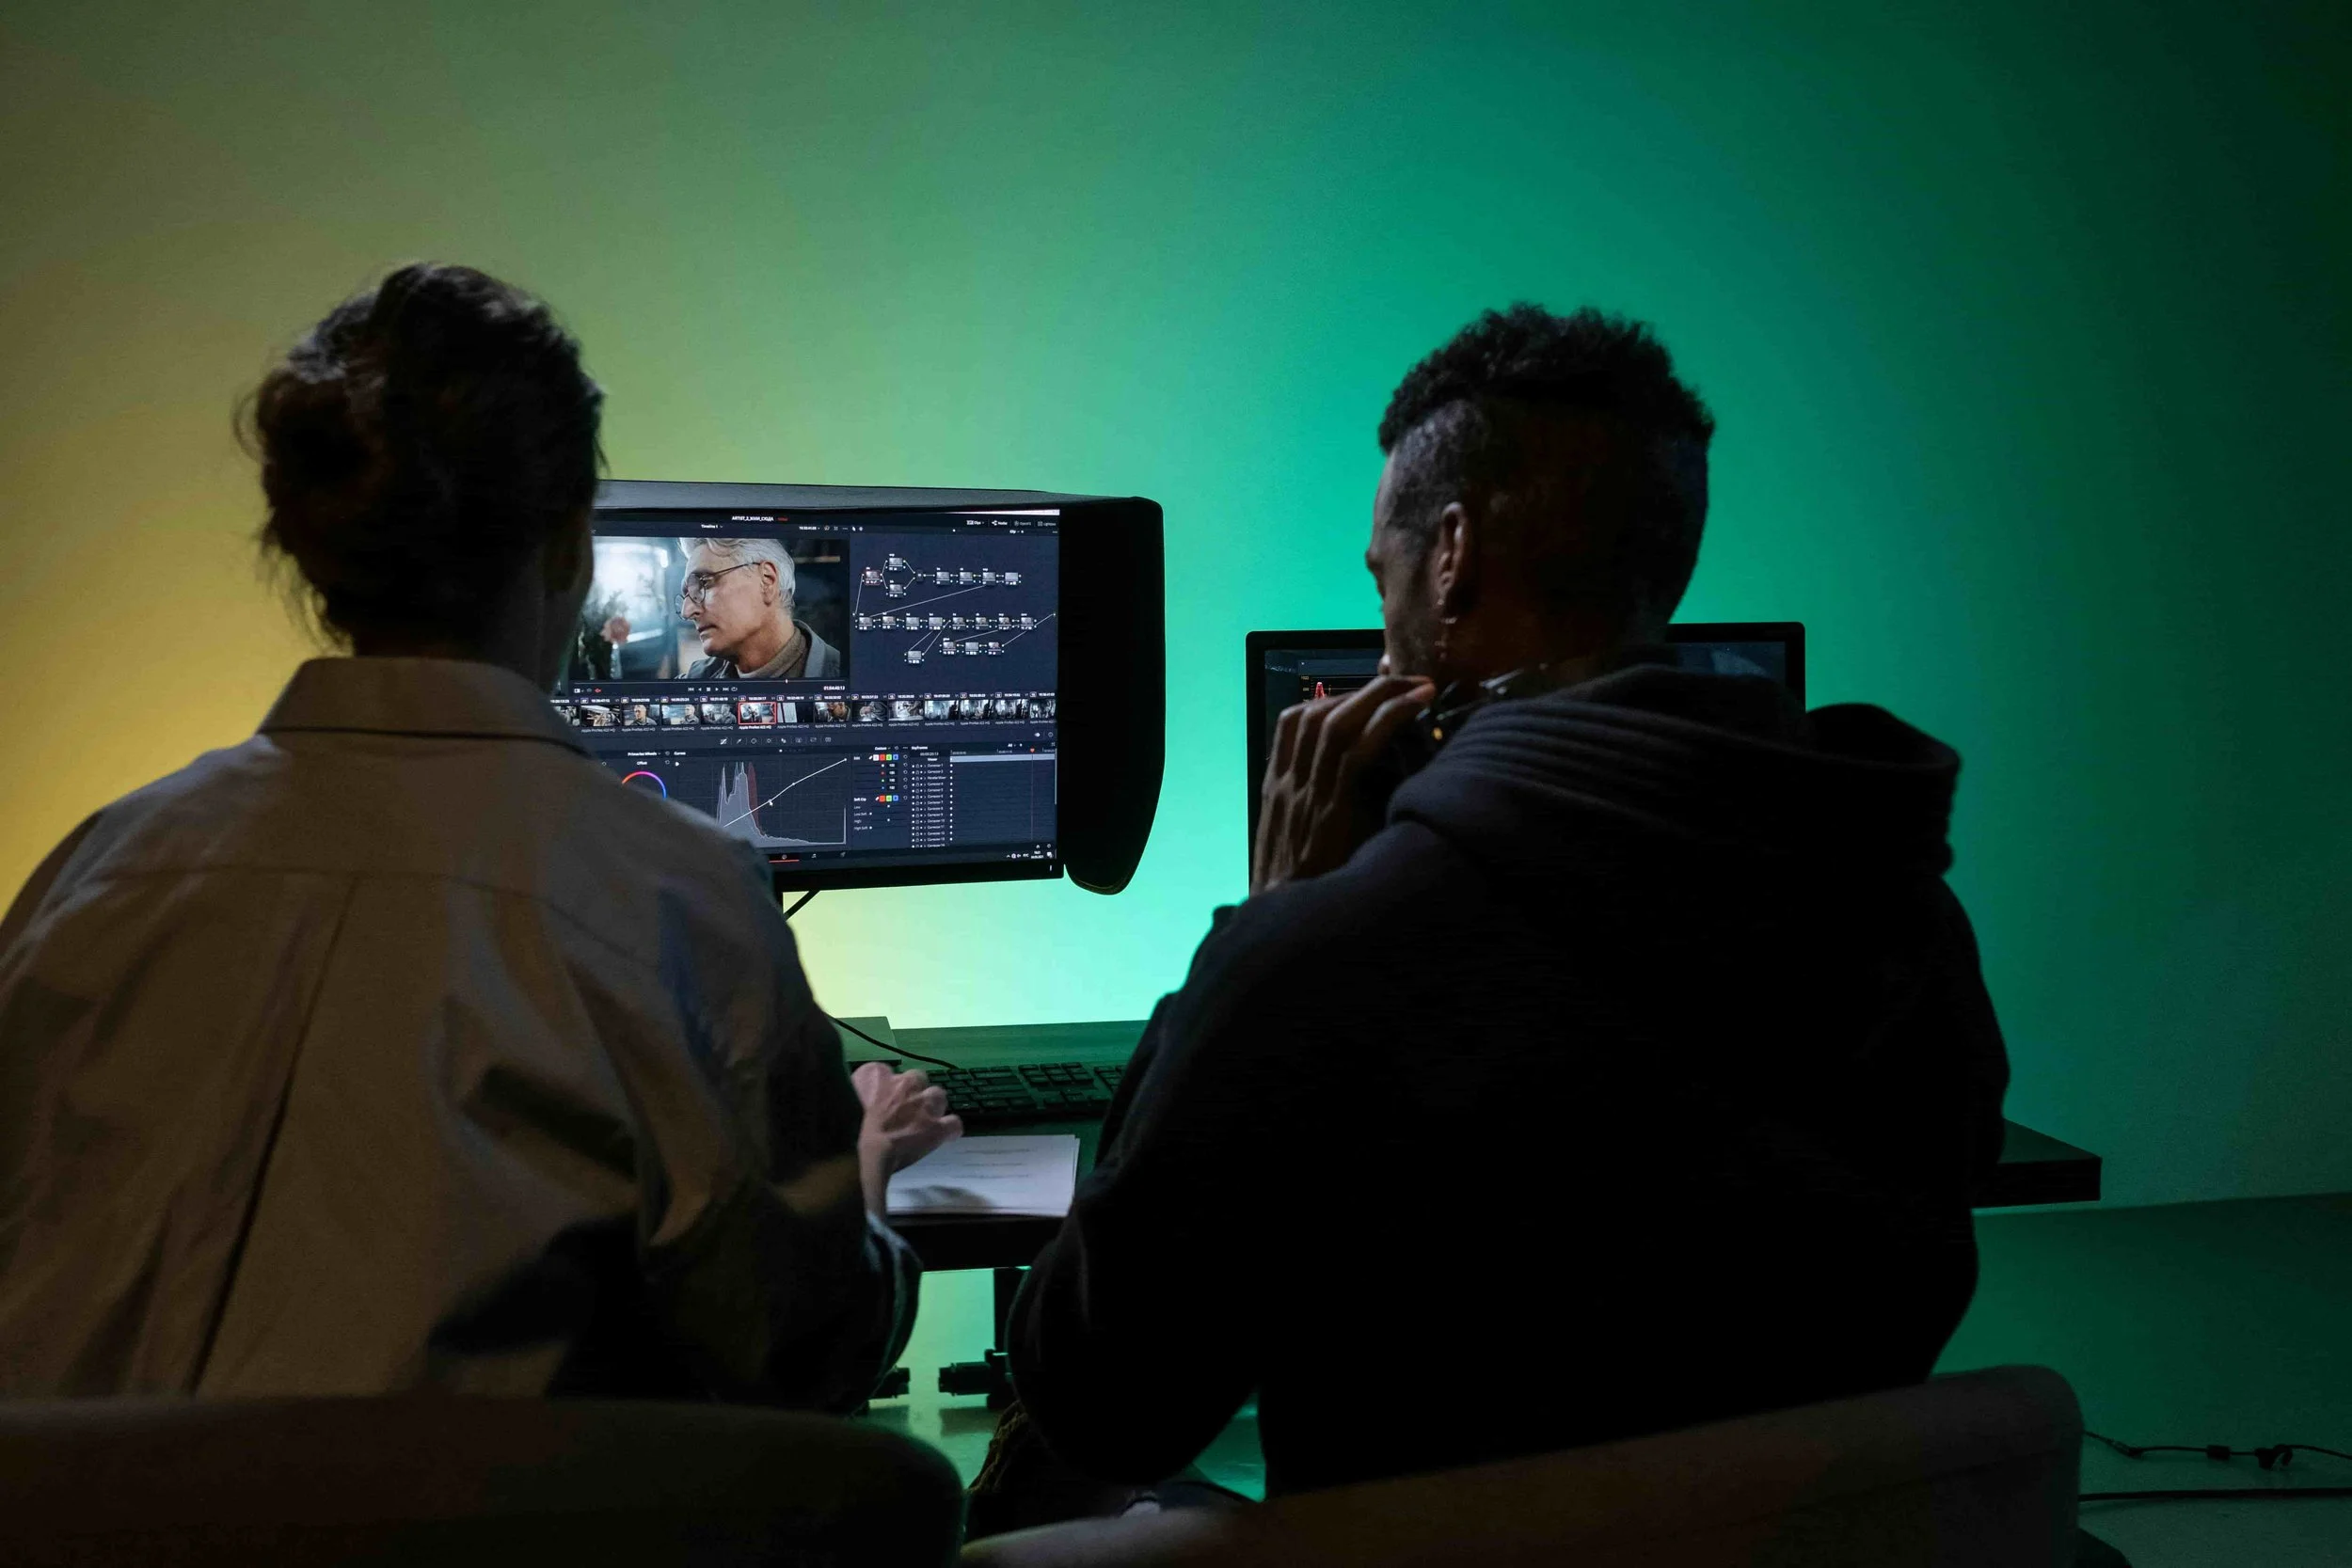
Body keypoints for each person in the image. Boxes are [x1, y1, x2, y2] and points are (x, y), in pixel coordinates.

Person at [997, 305, 2010, 1501]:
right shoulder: (1903, 906)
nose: (1382, 624)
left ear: (1451, 554)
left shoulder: (1326, 955)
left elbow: (1103, 1403)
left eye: (1380, 572)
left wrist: (1259, 924)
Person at [0, 263, 957, 1402]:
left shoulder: (95, 874)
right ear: (566, 547)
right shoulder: (677, 897)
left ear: (307, 549)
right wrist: (862, 1170)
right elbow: (801, 1350)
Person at [678, 537, 843, 679]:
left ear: (767, 580)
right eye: (688, 595)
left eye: (705, 584)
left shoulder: (845, 674)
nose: (687, 612)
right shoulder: (692, 683)